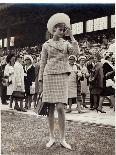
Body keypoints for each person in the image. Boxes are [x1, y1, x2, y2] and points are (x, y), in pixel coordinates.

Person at [38, 13, 80, 149]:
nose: (62, 31)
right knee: (50, 108)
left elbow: (76, 53)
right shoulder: (46, 45)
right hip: (49, 76)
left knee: (61, 107)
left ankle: (62, 138)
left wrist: (72, 36)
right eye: (60, 29)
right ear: (54, 29)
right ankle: (51, 137)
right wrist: (40, 80)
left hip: (62, 75)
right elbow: (43, 63)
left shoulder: (66, 43)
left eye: (64, 29)